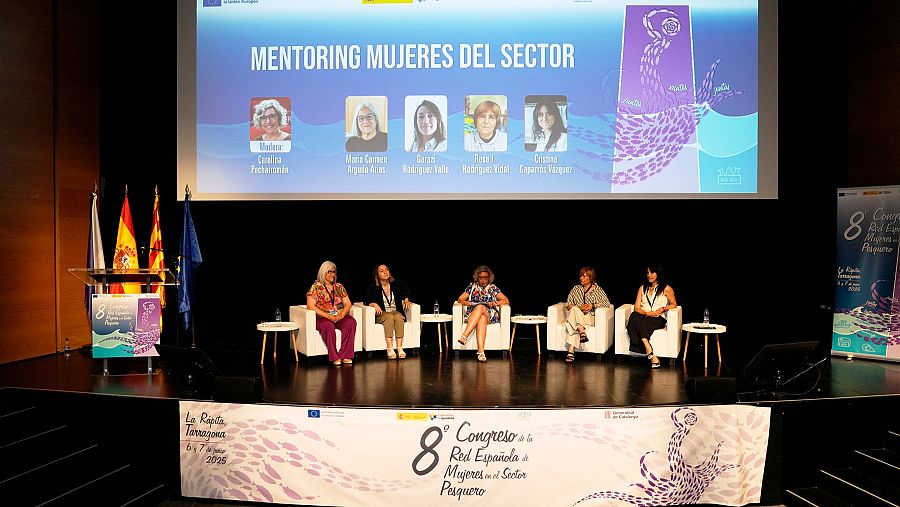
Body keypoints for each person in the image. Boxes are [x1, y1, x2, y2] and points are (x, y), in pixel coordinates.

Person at [626, 265, 677, 368]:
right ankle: (649, 349)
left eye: (652, 272)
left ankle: (644, 348)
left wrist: (663, 309)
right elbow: (637, 307)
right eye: (647, 273)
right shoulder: (642, 288)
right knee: (634, 315)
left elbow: (674, 304)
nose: (649, 275)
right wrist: (647, 313)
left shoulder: (666, 288)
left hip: (658, 319)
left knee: (632, 324)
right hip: (644, 316)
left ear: (658, 273)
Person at [306, 261, 357, 366]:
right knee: (327, 325)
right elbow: (310, 306)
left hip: (338, 316)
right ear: (323, 273)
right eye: (329, 272)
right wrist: (328, 316)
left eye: (334, 272)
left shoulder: (339, 286)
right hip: (323, 317)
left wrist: (342, 314)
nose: (333, 275)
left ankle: (345, 355)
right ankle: (334, 356)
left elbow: (348, 303)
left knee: (351, 322)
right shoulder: (316, 287)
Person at [456, 265, 510, 363]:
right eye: (481, 277)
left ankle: (464, 336)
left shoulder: (493, 288)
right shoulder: (472, 287)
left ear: (489, 278)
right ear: (477, 277)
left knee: (481, 307)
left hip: (490, 313)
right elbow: (460, 299)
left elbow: (506, 300)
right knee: (481, 318)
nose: (483, 280)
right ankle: (481, 352)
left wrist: (495, 303)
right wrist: (467, 302)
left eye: (485, 277)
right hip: (473, 314)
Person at [562, 267, 611, 363]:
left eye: (584, 276)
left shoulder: (597, 290)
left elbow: (607, 303)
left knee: (573, 318)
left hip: (589, 317)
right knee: (575, 311)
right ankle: (580, 336)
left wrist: (592, 305)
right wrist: (580, 308)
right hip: (578, 317)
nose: (581, 278)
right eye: (580, 276)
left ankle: (572, 350)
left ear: (591, 278)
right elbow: (568, 304)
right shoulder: (576, 289)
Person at [364, 264, 412, 359]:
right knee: (390, 317)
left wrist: (406, 299)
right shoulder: (373, 287)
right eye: (381, 271)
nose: (385, 272)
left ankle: (399, 348)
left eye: (387, 270)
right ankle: (389, 348)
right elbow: (366, 301)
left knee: (398, 317)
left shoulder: (396, 284)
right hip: (382, 313)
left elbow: (405, 289)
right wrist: (374, 304)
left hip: (395, 311)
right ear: (377, 275)